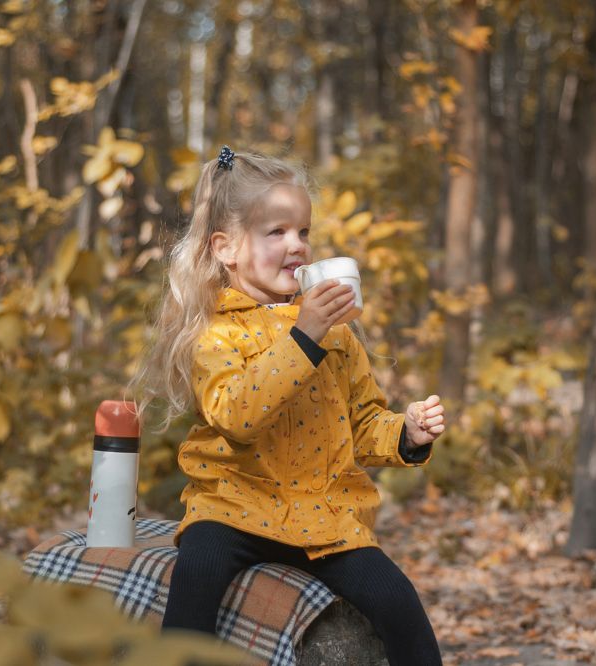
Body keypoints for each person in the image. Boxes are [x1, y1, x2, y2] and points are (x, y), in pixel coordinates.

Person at [131, 146, 446, 664]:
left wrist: (407, 435)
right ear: (226, 248)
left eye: (304, 232)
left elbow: (363, 424)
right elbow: (237, 416)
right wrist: (304, 337)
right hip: (234, 504)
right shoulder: (218, 332)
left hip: (325, 513)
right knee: (197, 573)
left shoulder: (335, 333)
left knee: (397, 601)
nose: (296, 246)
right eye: (276, 232)